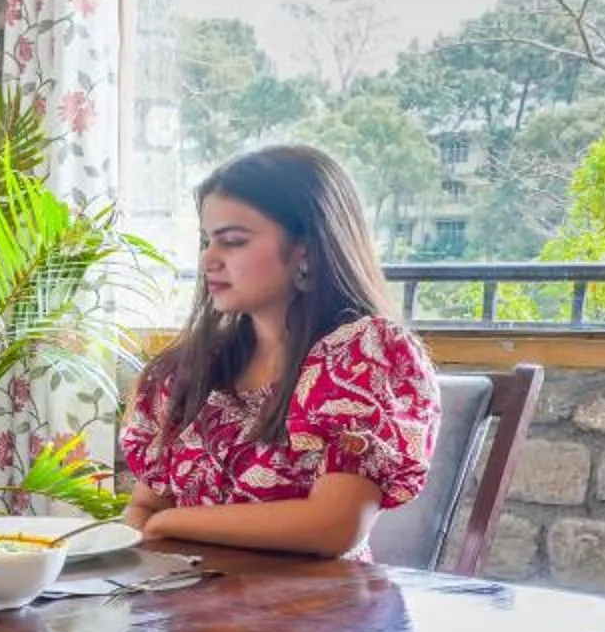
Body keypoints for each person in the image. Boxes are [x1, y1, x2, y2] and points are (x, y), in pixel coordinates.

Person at [120, 144, 438, 561]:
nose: (208, 260)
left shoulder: (361, 356)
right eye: (205, 241)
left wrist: (172, 523)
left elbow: (334, 527)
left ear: (306, 248)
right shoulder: (197, 366)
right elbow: (146, 507)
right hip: (193, 608)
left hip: (312, 613)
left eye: (232, 241)